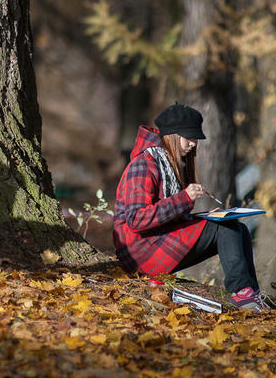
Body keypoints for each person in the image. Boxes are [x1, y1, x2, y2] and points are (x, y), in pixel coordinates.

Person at [112, 103, 268, 311]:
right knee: (226, 229)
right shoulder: (144, 164)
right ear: (173, 136)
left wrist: (204, 217)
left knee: (238, 229)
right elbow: (137, 219)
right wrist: (184, 198)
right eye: (190, 138)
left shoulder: (165, 163)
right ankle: (242, 295)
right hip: (139, 250)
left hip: (155, 241)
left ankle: (250, 294)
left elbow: (167, 217)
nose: (194, 144)